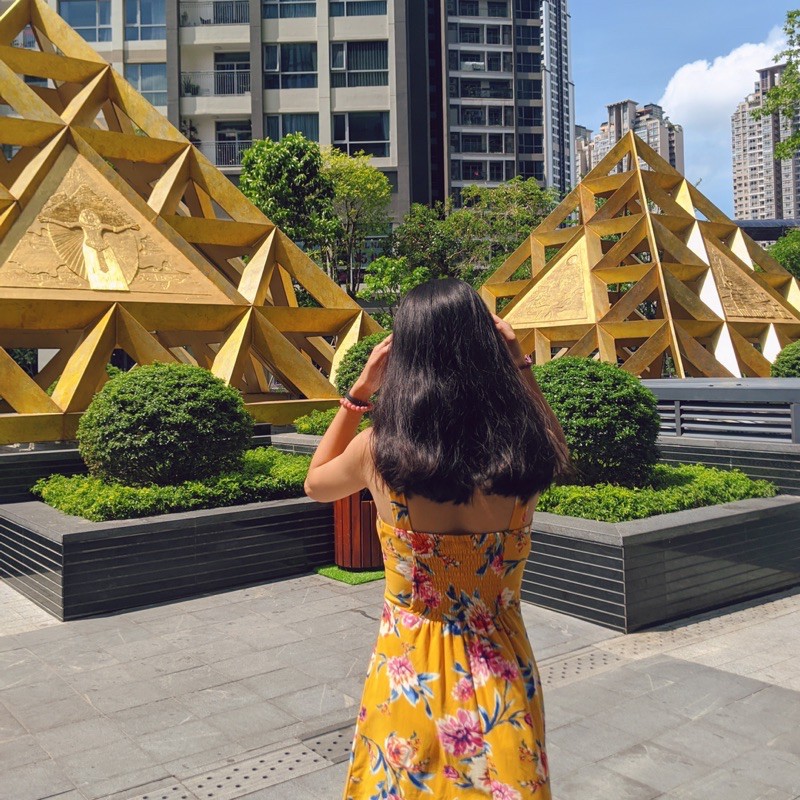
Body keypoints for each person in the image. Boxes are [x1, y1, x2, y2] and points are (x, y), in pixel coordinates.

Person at [304, 278, 570, 800]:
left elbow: (316, 484)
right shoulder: (527, 447)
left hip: (409, 674)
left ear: (403, 356)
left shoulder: (378, 452)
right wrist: (519, 364)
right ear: (488, 346)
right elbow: (550, 435)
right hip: (502, 672)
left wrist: (359, 393)